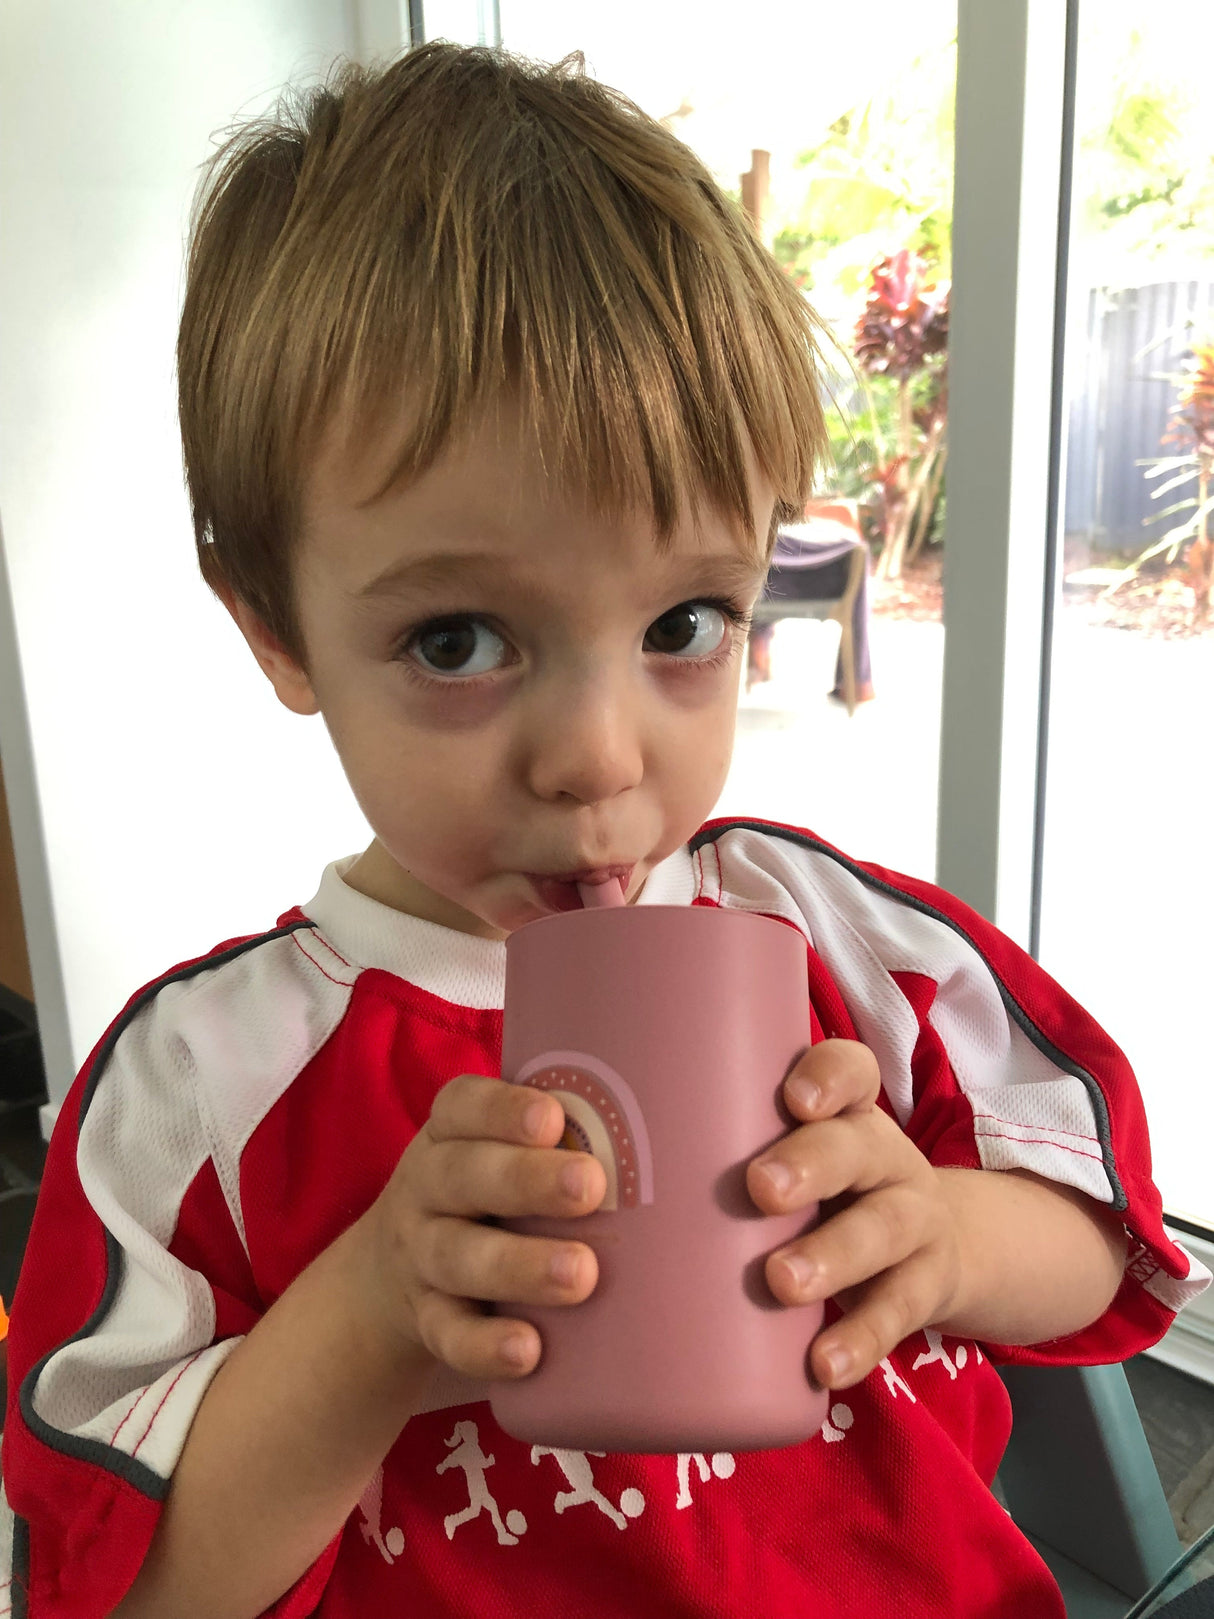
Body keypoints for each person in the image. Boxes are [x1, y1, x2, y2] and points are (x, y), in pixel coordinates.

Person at [0, 42, 1209, 1619]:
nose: (594, 759)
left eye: (684, 620)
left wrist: (937, 1232)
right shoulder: (193, 1091)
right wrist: (369, 1320)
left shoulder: (841, 946)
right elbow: (129, 1586)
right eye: (456, 641)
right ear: (277, 630)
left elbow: (1100, 1243)